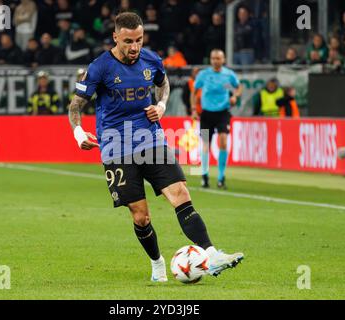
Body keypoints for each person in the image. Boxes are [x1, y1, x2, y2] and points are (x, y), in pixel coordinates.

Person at [68, 12, 244, 282]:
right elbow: (75, 106)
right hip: (116, 147)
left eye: (139, 39)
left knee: (181, 193)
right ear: (115, 37)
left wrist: (161, 106)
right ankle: (158, 263)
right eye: (128, 41)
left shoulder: (151, 59)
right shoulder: (99, 67)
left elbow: (164, 85)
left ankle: (212, 254)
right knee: (141, 216)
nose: (134, 47)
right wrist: (78, 132)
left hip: (151, 139)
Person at [191, 49, 242, 190]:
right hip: (207, 114)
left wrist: (234, 96)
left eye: (218, 58)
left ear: (223, 59)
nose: (215, 61)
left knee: (224, 141)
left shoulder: (228, 75)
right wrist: (194, 109)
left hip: (223, 113)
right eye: (213, 58)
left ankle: (221, 177)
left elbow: (238, 87)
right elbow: (194, 92)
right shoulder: (204, 75)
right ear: (210, 59)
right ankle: (205, 175)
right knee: (206, 144)